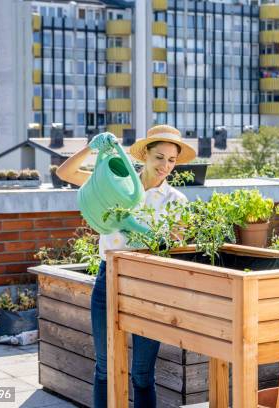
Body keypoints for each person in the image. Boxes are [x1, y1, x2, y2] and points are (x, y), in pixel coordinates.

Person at [56, 125, 196, 407]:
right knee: (105, 367)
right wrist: (91, 147)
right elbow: (64, 173)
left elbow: (174, 246)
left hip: (150, 285)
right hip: (109, 279)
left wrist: (145, 234)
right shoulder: (115, 183)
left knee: (142, 374)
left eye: (171, 160)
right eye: (159, 157)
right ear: (145, 154)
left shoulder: (176, 202)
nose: (165, 166)